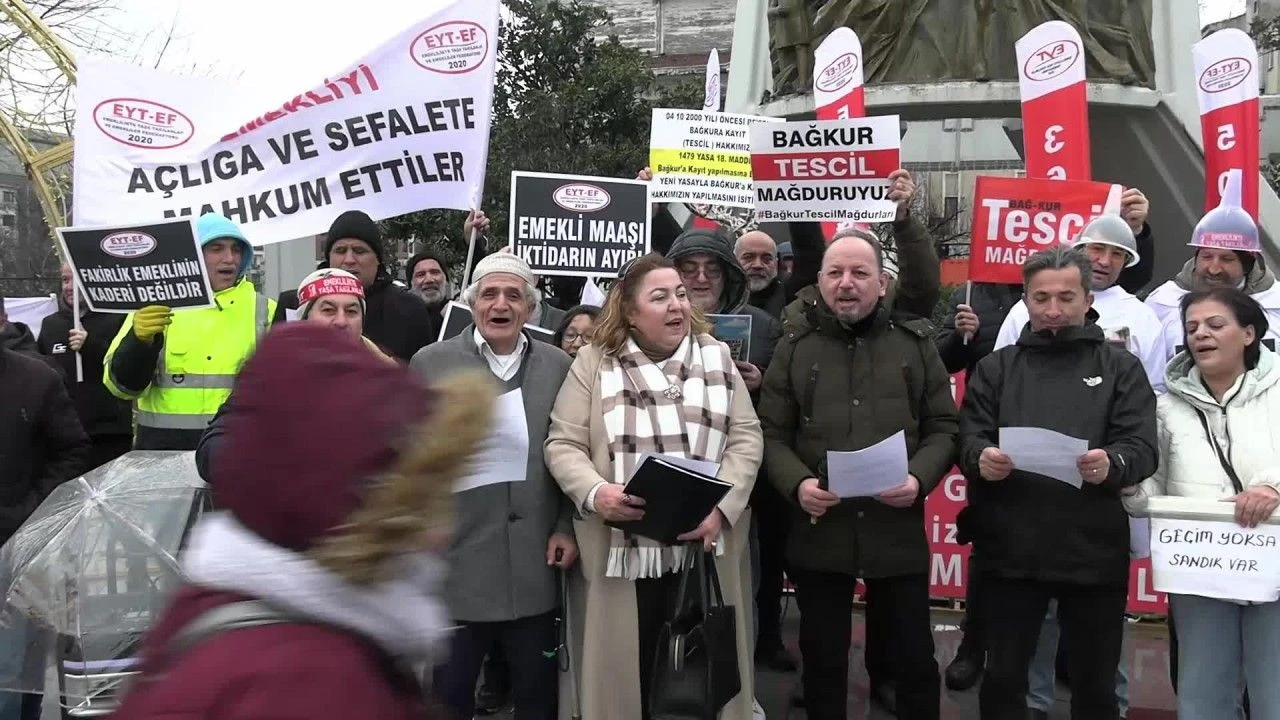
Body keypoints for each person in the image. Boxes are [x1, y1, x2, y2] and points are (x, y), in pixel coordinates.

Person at [935, 187, 1154, 691]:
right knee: (1006, 679)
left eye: (1066, 297)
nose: (1053, 309)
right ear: (1027, 300)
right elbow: (968, 433)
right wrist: (979, 457)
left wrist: (1114, 463)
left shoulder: (1121, 368)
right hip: (1011, 551)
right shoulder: (997, 367)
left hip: (1093, 551)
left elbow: (1142, 445)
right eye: (1041, 298)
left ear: (1088, 300)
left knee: (1093, 684)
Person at [545, 253, 762, 720]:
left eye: (681, 295)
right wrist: (596, 493)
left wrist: (721, 510)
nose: (677, 306)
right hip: (618, 553)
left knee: (702, 680)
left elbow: (746, 438)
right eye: (660, 297)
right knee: (629, 683)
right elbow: (563, 443)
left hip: (705, 547)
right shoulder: (593, 363)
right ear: (628, 310)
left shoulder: (717, 356)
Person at [758, 232, 958, 720]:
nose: (846, 284)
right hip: (820, 533)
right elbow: (769, 433)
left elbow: (945, 427)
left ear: (883, 283)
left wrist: (918, 479)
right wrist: (797, 484)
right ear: (819, 281)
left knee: (913, 662)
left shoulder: (914, 344)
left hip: (897, 532)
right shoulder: (795, 347)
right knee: (824, 666)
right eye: (835, 273)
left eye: (859, 273)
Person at [411, 253, 575, 720]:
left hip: (534, 565)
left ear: (531, 308)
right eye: (489, 294)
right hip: (457, 562)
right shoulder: (431, 363)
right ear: (471, 302)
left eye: (514, 295)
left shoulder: (559, 366)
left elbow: (575, 450)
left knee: (538, 699)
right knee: (448, 698)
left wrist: (566, 525)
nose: (501, 304)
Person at [1123, 287, 1280, 720]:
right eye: (1192, 327)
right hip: (1203, 573)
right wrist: (1125, 484)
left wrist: (1272, 488)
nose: (1200, 335)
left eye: (1215, 325)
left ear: (1249, 333)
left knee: (1275, 694)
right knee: (1202, 698)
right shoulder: (1165, 409)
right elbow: (1148, 493)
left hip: (1275, 571)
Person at [193, 269, 388, 482]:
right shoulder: (269, 377)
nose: (341, 321)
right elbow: (211, 453)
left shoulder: (386, 380)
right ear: (304, 319)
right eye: (328, 310)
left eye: (351, 311)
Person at [103, 213, 274, 451]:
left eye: (236, 249)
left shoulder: (265, 310)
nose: (230, 259)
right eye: (216, 248)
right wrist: (138, 343)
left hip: (238, 453)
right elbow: (119, 387)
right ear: (193, 253)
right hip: (161, 457)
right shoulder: (154, 304)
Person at [0, 315, 88, 720]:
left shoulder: (37, 380)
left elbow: (71, 451)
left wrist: (31, 510)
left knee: (16, 673)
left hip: (21, 546)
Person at [273, 210, 438, 362]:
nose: (349, 259)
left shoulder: (409, 308)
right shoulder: (293, 302)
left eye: (359, 251)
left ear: (378, 259)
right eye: (340, 250)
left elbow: (423, 376)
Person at [38, 264, 133, 470]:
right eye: (65, 280)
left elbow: (128, 369)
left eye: (76, 280)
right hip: (65, 435)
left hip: (109, 434)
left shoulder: (117, 319)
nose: (69, 287)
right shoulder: (50, 324)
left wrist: (90, 346)